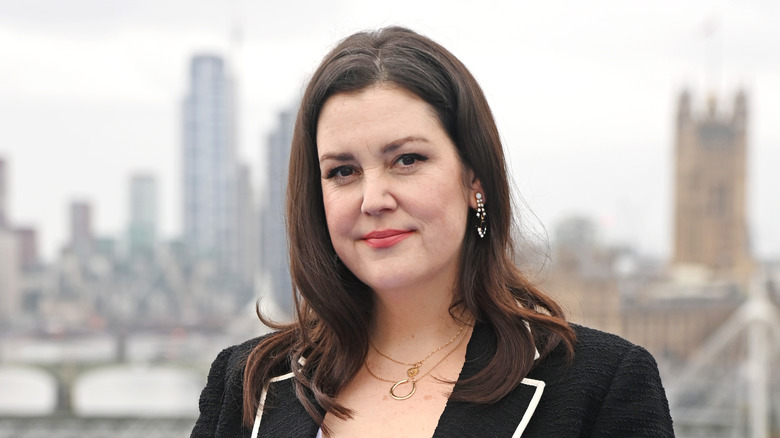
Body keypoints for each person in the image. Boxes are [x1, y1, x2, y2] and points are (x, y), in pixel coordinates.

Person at [191, 26, 674, 438]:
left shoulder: (600, 384)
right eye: (343, 171)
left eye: (407, 160)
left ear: (474, 180)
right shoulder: (246, 383)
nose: (373, 198)